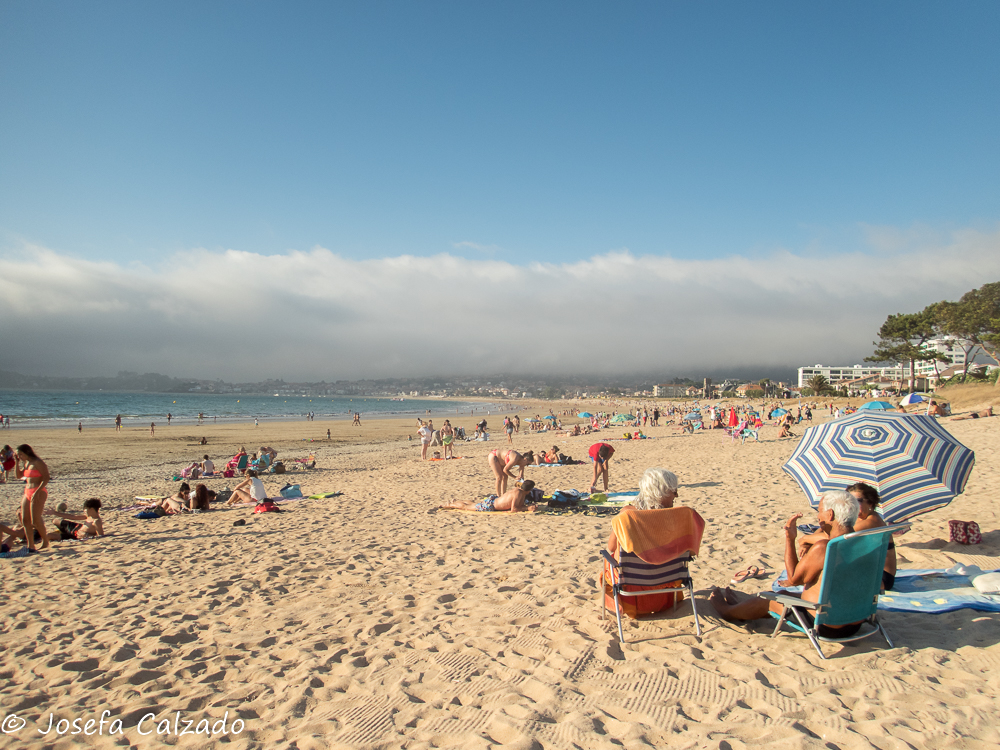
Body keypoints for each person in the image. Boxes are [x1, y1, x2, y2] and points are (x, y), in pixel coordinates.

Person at [709, 491, 865, 638]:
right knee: (785, 595)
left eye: (819, 511)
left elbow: (793, 579)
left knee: (768, 599)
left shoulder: (825, 548)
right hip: (856, 621)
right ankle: (739, 608)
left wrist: (790, 538)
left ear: (830, 514)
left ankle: (726, 611)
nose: (818, 516)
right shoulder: (866, 542)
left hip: (825, 625)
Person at [606, 468, 679, 555]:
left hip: (634, 564)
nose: (677, 495)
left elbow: (611, 547)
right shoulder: (681, 516)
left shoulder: (627, 514)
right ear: (662, 493)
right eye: (674, 491)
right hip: (670, 563)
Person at [15, 444, 51, 552]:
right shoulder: (27, 463)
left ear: (27, 452)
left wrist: (37, 492)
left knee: (35, 519)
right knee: (25, 519)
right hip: (27, 491)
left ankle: (45, 541)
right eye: (18, 455)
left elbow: (46, 478)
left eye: (20, 454)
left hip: (39, 491)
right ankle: (30, 545)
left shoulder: (38, 462)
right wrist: (16, 462)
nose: (20, 456)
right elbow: (18, 476)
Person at [439, 478, 538, 513]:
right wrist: (527, 508)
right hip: (491, 505)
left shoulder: (519, 491)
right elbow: (514, 509)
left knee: (474, 504)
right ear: (529, 490)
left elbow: (519, 505)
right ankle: (449, 505)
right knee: (466, 507)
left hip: (493, 501)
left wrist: (529, 506)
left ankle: (456, 502)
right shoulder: (518, 493)